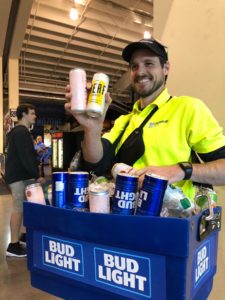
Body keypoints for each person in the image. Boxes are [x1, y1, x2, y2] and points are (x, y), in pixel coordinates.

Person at [65, 38, 225, 200]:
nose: (140, 72)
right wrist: (92, 128)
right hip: (126, 217)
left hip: (172, 219)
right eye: (134, 66)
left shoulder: (188, 108)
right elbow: (94, 163)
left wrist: (179, 170)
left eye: (148, 63)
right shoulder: (124, 120)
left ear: (166, 68)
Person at [5, 103, 45, 257]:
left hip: (21, 176)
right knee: (18, 209)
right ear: (23, 114)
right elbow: (24, 157)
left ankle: (21, 235)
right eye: (32, 113)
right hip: (18, 177)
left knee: (24, 207)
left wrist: (36, 151)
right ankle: (13, 246)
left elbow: (26, 154)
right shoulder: (20, 132)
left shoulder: (21, 132)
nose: (35, 116)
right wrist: (36, 176)